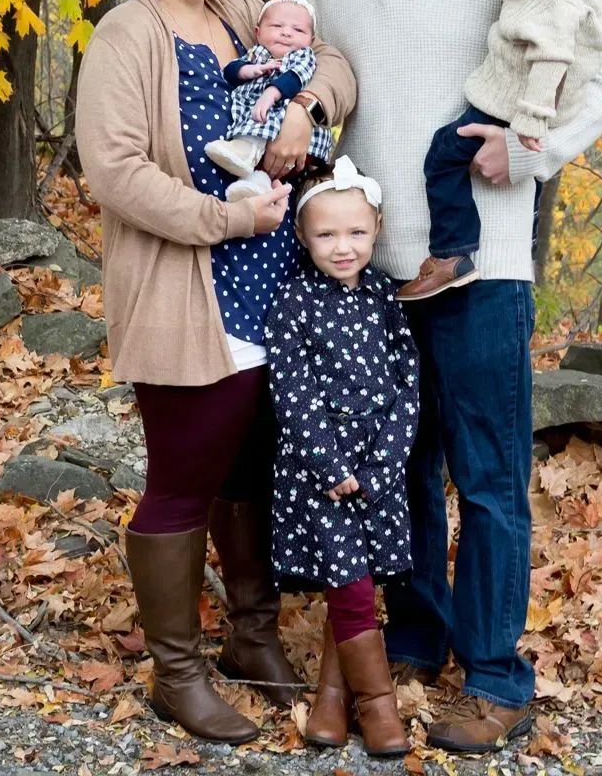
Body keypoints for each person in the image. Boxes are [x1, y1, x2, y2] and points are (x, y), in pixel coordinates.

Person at [303, 0, 602, 754]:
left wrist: (528, 154)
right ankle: (414, 637)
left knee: (487, 481)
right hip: (374, 272)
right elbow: (326, 84)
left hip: (484, 266)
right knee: (399, 469)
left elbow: (600, 84)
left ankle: (494, 677)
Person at [75, 0, 356, 745]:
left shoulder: (240, 12)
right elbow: (114, 172)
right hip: (188, 288)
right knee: (184, 481)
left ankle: (251, 637)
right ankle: (177, 674)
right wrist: (224, 219)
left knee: (253, 468)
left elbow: (335, 62)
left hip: (275, 283)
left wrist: (303, 107)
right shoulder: (127, 34)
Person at [399, 0, 602, 302]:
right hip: (516, 100)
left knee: (443, 155)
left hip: (515, 104)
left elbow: (553, 57)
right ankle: (457, 251)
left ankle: (452, 254)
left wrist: (531, 122)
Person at [265, 157, 417, 759]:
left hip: (377, 468)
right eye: (326, 234)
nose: (343, 246)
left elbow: (408, 383)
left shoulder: (384, 296)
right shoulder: (294, 300)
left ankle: (331, 700)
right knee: (350, 583)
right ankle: (378, 705)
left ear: (376, 230)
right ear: (304, 238)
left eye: (356, 232)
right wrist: (331, 466)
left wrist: (383, 466)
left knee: (355, 578)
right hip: (321, 472)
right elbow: (291, 390)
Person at [206, 0, 334, 202]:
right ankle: (256, 184)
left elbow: (295, 77)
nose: (286, 33)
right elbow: (230, 71)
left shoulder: (303, 56)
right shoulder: (257, 53)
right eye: (276, 26)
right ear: (258, 33)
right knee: (258, 121)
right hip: (264, 123)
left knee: (264, 117)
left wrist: (271, 94)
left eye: (298, 30)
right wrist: (248, 70)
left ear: (311, 41)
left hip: (295, 139)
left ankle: (244, 153)